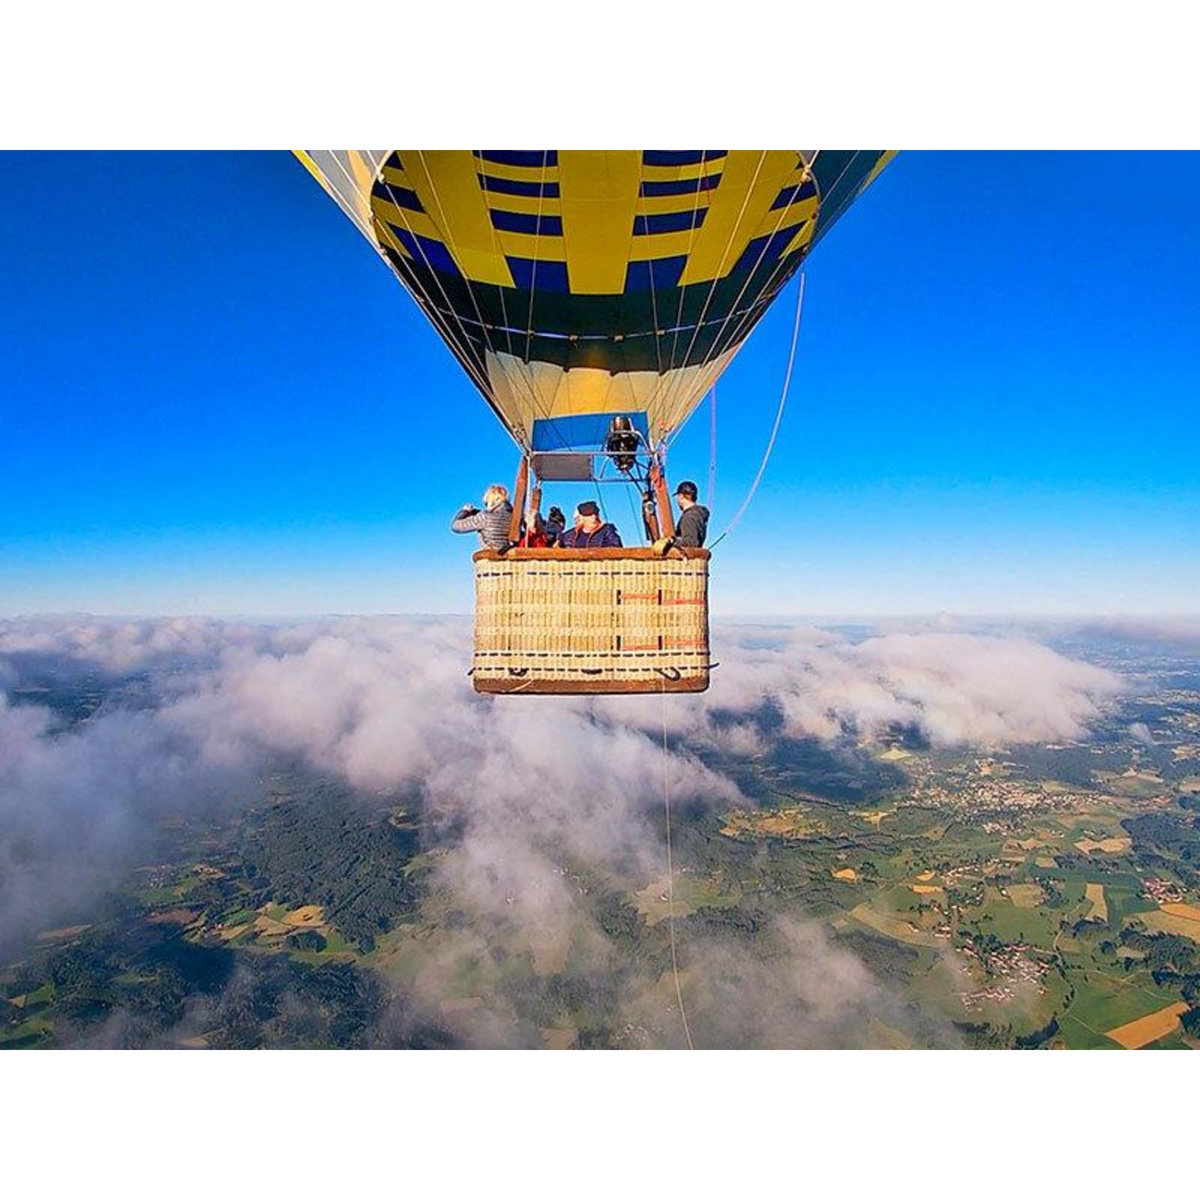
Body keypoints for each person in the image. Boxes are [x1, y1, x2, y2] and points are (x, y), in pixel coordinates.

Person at [450, 484, 513, 550]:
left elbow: (455, 526)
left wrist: (464, 511)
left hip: (491, 553)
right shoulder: (513, 516)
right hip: (507, 551)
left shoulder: (485, 517)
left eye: (486, 503)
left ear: (491, 501)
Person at [672, 480, 709, 548]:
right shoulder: (697, 514)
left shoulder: (689, 516)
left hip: (687, 557)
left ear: (681, 496)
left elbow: (691, 542)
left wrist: (671, 541)